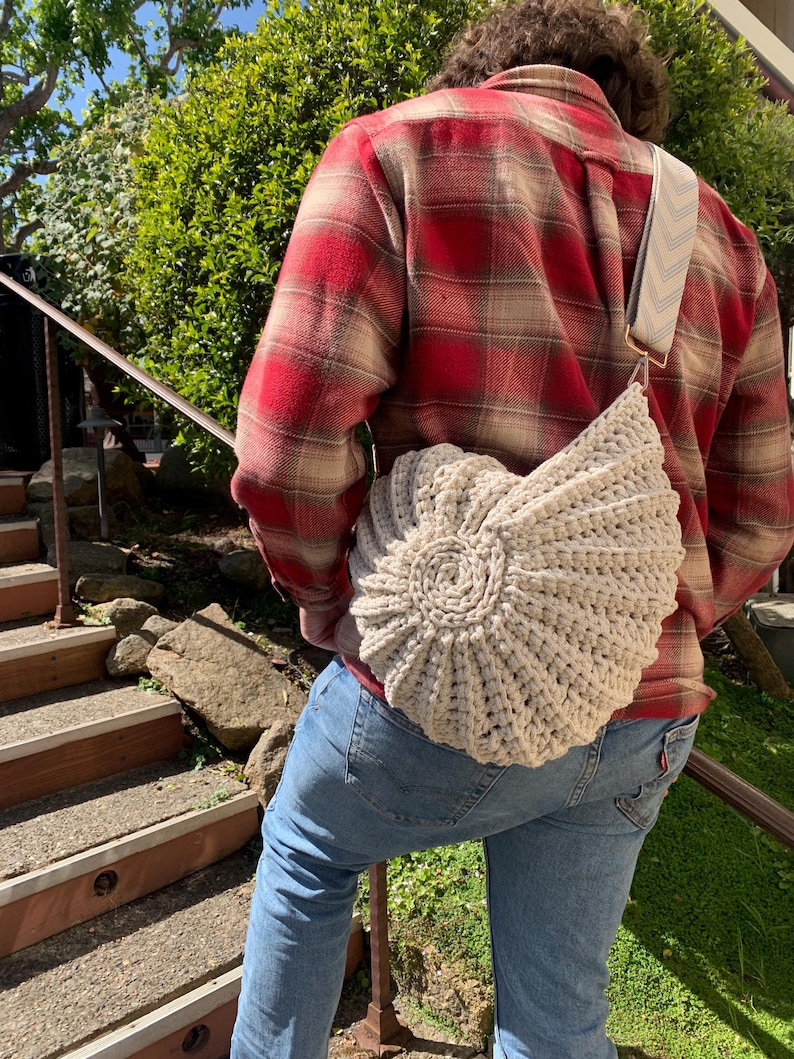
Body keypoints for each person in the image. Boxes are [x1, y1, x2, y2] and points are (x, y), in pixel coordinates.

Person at [229, 1, 794, 1055]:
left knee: (308, 854)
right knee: (557, 1016)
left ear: (485, 65)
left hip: (432, 693)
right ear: (627, 99)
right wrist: (626, 621)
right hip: (641, 713)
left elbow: (283, 451)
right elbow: (762, 518)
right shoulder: (714, 235)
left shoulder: (394, 152)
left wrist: (332, 606)